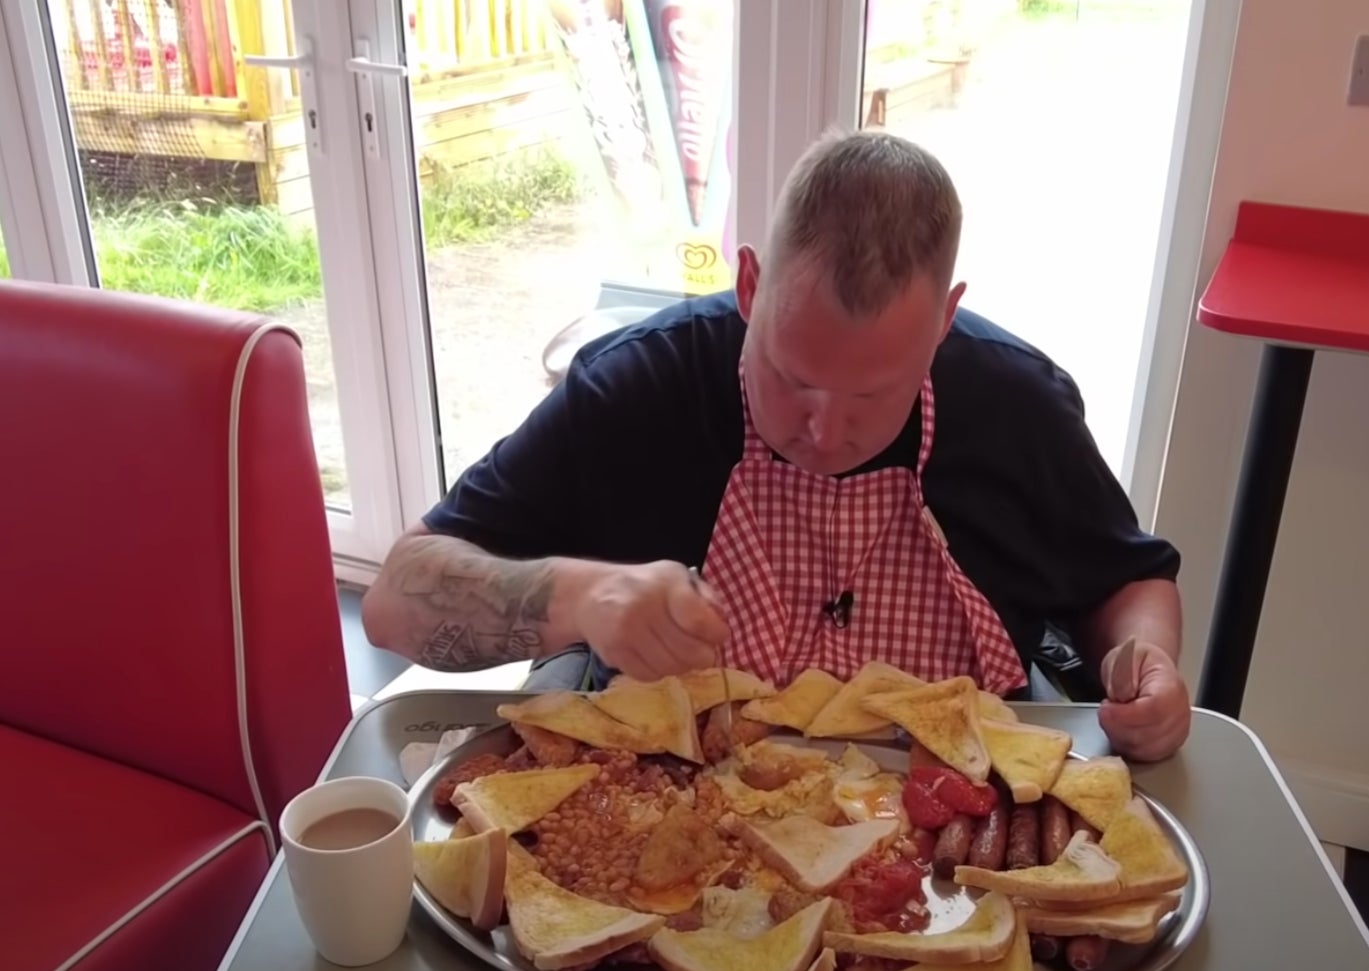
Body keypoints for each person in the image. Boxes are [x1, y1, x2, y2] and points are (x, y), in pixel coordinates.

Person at [363, 130, 1191, 761]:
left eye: (872, 393)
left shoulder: (1015, 401)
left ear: (943, 320)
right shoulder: (636, 390)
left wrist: (1143, 660)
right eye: (791, 377)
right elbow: (392, 604)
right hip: (670, 806)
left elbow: (1123, 575)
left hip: (951, 811)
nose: (824, 431)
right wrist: (574, 598)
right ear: (750, 285)